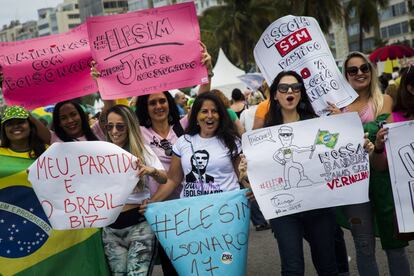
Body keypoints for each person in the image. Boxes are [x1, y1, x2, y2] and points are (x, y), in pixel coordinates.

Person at [241, 71, 343, 276]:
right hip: (284, 210)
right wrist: (245, 175)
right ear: (275, 95)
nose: (290, 91)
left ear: (301, 93)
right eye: (284, 88)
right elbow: (255, 175)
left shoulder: (316, 123)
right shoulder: (264, 134)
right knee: (292, 267)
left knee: (327, 265)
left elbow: (336, 150)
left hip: (318, 205)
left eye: (296, 88)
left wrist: (342, 127)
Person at [328, 51, 410, 276]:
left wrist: (344, 124)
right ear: (345, 75)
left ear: (371, 71)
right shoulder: (336, 107)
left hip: (384, 181)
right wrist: (338, 124)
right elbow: (329, 142)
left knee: (396, 247)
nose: (360, 73)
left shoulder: (384, 100)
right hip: (354, 185)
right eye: (353, 70)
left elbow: (383, 131)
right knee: (364, 248)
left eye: (364, 68)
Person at [141, 91, 245, 202]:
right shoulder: (183, 142)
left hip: (228, 210)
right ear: (196, 116)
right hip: (194, 213)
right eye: (204, 111)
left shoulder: (231, 141)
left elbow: (242, 176)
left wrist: (253, 189)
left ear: (220, 115)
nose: (209, 116)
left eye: (214, 111)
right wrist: (152, 202)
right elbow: (172, 180)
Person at [102, 104, 167, 275]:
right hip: (111, 230)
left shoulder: (142, 151)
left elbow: (164, 177)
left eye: (120, 126)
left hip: (139, 227)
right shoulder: (100, 153)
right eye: (110, 126)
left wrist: (151, 171)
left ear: (129, 126)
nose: (114, 131)